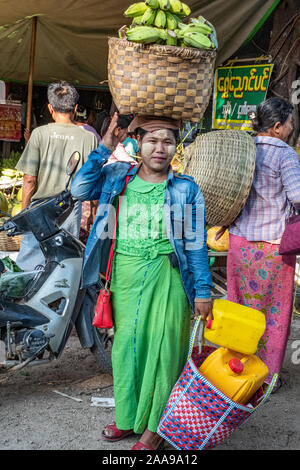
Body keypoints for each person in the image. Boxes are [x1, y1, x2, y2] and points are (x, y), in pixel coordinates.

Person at [71, 113, 213, 450]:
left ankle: (155, 429)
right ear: (138, 143)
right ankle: (128, 417)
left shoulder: (186, 189)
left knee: (164, 353)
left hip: (168, 278)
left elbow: (195, 244)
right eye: (152, 140)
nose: (160, 148)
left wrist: (204, 291)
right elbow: (79, 188)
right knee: (126, 349)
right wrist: (106, 143)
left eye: (167, 141)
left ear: (176, 147)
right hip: (124, 276)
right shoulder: (117, 177)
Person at [218, 97, 300, 389]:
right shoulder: (285, 155)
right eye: (289, 123)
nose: (291, 128)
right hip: (273, 249)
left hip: (240, 243)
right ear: (277, 127)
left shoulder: (244, 149)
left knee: (239, 306)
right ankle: (266, 377)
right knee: (273, 312)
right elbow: (298, 197)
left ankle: (234, 368)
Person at [15, 81, 98, 270]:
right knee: (64, 266)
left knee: (29, 267)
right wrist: (93, 214)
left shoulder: (38, 134)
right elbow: (93, 184)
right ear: (75, 108)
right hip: (70, 211)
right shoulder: (89, 138)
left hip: (38, 209)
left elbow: (29, 180)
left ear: (50, 108)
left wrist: (24, 214)